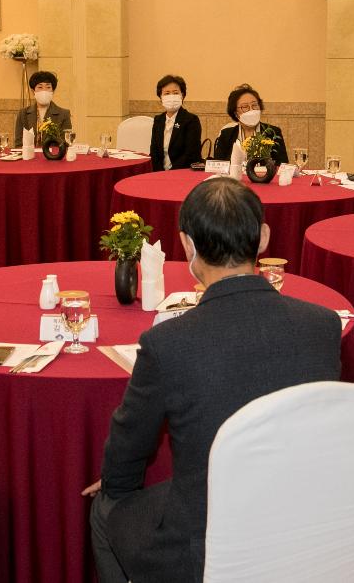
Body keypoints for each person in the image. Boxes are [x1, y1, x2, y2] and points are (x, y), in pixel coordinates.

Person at [85, 177, 340, 583]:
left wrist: (116, 486)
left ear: (187, 245)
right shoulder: (323, 325)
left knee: (104, 505)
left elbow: (125, 456)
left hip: (202, 546)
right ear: (264, 239)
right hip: (300, 525)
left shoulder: (167, 343)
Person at [211, 84, 289, 165]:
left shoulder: (273, 132)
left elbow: (282, 166)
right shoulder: (226, 134)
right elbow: (218, 166)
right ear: (235, 113)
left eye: (254, 105)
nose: (251, 110)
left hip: (264, 177)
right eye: (245, 107)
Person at [149, 74, 202, 171]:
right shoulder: (158, 120)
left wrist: (171, 173)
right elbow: (154, 152)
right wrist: (159, 174)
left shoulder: (191, 120)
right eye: (167, 93)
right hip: (159, 174)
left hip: (183, 173)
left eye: (175, 93)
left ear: (182, 95)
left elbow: (191, 154)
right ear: (161, 98)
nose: (171, 97)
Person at [13, 70, 72, 145]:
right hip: (30, 155)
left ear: (53, 91)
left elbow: (66, 143)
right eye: (40, 87)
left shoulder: (64, 114)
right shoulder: (23, 114)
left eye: (48, 87)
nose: (44, 91)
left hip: (53, 155)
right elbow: (18, 143)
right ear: (33, 91)